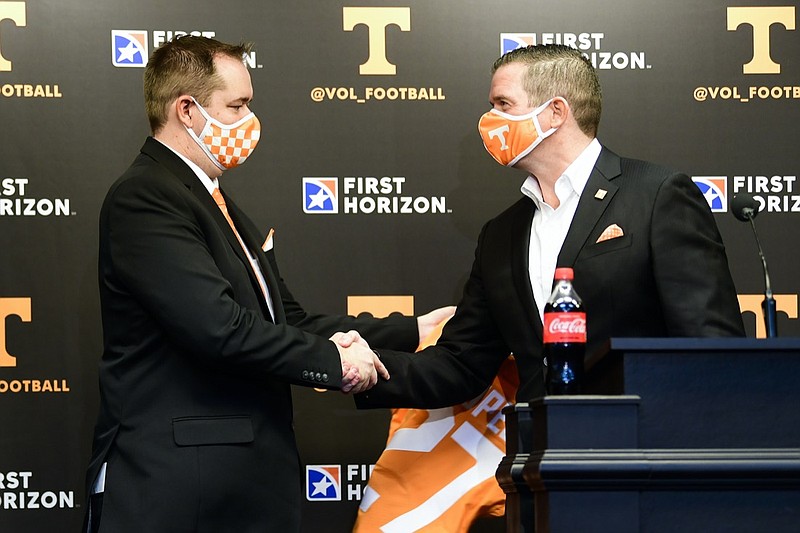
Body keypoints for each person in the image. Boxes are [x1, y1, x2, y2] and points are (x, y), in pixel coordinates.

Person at [83, 35, 451, 533]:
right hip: (182, 485)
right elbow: (219, 328)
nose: (250, 121)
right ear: (187, 110)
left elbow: (288, 322)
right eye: (237, 106)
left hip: (242, 481)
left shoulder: (219, 203)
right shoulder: (146, 198)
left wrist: (415, 330)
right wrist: (334, 363)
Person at [354, 44, 745, 410]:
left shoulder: (656, 195)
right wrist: (359, 369)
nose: (489, 122)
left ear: (555, 112)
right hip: (541, 463)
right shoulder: (500, 234)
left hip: (644, 455)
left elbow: (710, 346)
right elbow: (460, 364)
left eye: (503, 104)